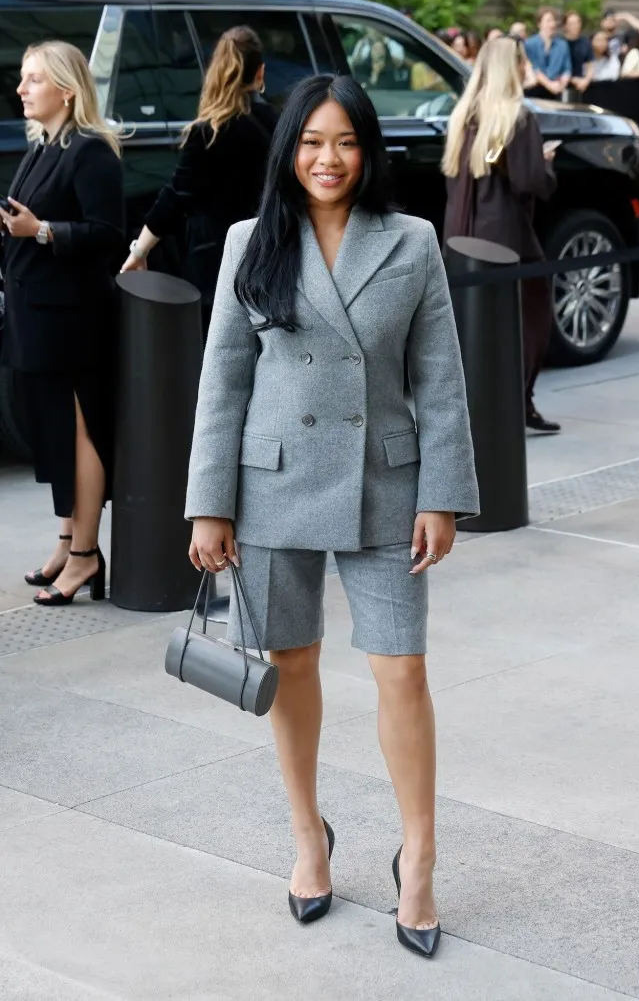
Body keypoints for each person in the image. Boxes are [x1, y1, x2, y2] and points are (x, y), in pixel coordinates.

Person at [185, 73, 479, 958]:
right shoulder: (250, 241)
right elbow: (222, 381)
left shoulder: (412, 240)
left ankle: (418, 858)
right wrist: (209, 503)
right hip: (270, 481)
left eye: (344, 141)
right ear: (290, 151)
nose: (327, 158)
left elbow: (439, 376)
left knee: (403, 672)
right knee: (292, 661)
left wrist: (441, 493)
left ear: (368, 150)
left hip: (385, 483)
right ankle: (308, 833)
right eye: (311, 142)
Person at [0, 41, 124, 604]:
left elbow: (107, 235)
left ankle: (85, 555)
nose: (21, 89)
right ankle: (66, 541)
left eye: (33, 80)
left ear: (66, 90)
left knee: (80, 433)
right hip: (36, 313)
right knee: (52, 432)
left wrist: (43, 231)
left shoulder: (91, 151)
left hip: (72, 317)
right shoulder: (42, 147)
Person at [120, 26, 277, 336]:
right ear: (261, 72)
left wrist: (138, 252)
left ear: (215, 71)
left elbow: (176, 196)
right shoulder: (282, 124)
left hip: (216, 265)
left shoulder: (209, 132)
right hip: (272, 257)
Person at [442, 37, 560, 434]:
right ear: (513, 67)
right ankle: (519, 401)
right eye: (522, 61)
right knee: (528, 320)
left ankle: (479, 407)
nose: (527, 67)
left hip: (461, 233)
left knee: (473, 325)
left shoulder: (462, 115)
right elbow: (531, 182)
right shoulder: (518, 117)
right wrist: (546, 165)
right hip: (507, 237)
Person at [525, 7, 572, 98]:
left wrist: (562, 84)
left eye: (554, 21)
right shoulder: (529, 44)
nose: (552, 24)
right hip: (535, 89)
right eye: (548, 21)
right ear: (539, 24)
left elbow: (567, 69)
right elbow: (534, 68)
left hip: (556, 90)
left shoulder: (562, 45)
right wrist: (549, 84)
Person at [564, 11, 594, 94]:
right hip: (563, 83)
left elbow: (590, 65)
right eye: (571, 23)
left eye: (577, 23)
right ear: (566, 26)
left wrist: (586, 80)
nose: (575, 26)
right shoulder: (560, 43)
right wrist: (572, 79)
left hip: (580, 83)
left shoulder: (585, 42)